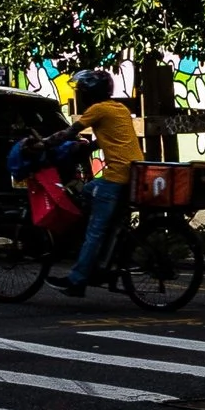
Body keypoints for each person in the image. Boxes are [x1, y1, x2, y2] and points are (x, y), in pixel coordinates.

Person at [61, 64, 142, 294]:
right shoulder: (119, 108)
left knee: (94, 230)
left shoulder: (97, 110)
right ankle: (105, 257)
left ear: (88, 93)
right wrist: (91, 147)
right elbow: (114, 138)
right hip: (133, 172)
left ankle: (77, 281)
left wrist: (43, 143)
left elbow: (68, 132)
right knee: (87, 191)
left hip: (115, 177)